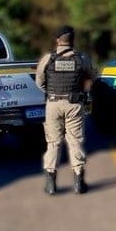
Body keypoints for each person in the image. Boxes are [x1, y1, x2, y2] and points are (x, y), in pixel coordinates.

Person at [36, 25, 94, 195]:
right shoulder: (81, 58)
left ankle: (51, 184)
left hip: (53, 103)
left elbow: (39, 82)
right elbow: (92, 76)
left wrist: (52, 92)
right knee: (74, 141)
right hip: (74, 104)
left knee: (53, 143)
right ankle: (78, 183)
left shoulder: (48, 58)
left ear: (57, 40)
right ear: (72, 40)